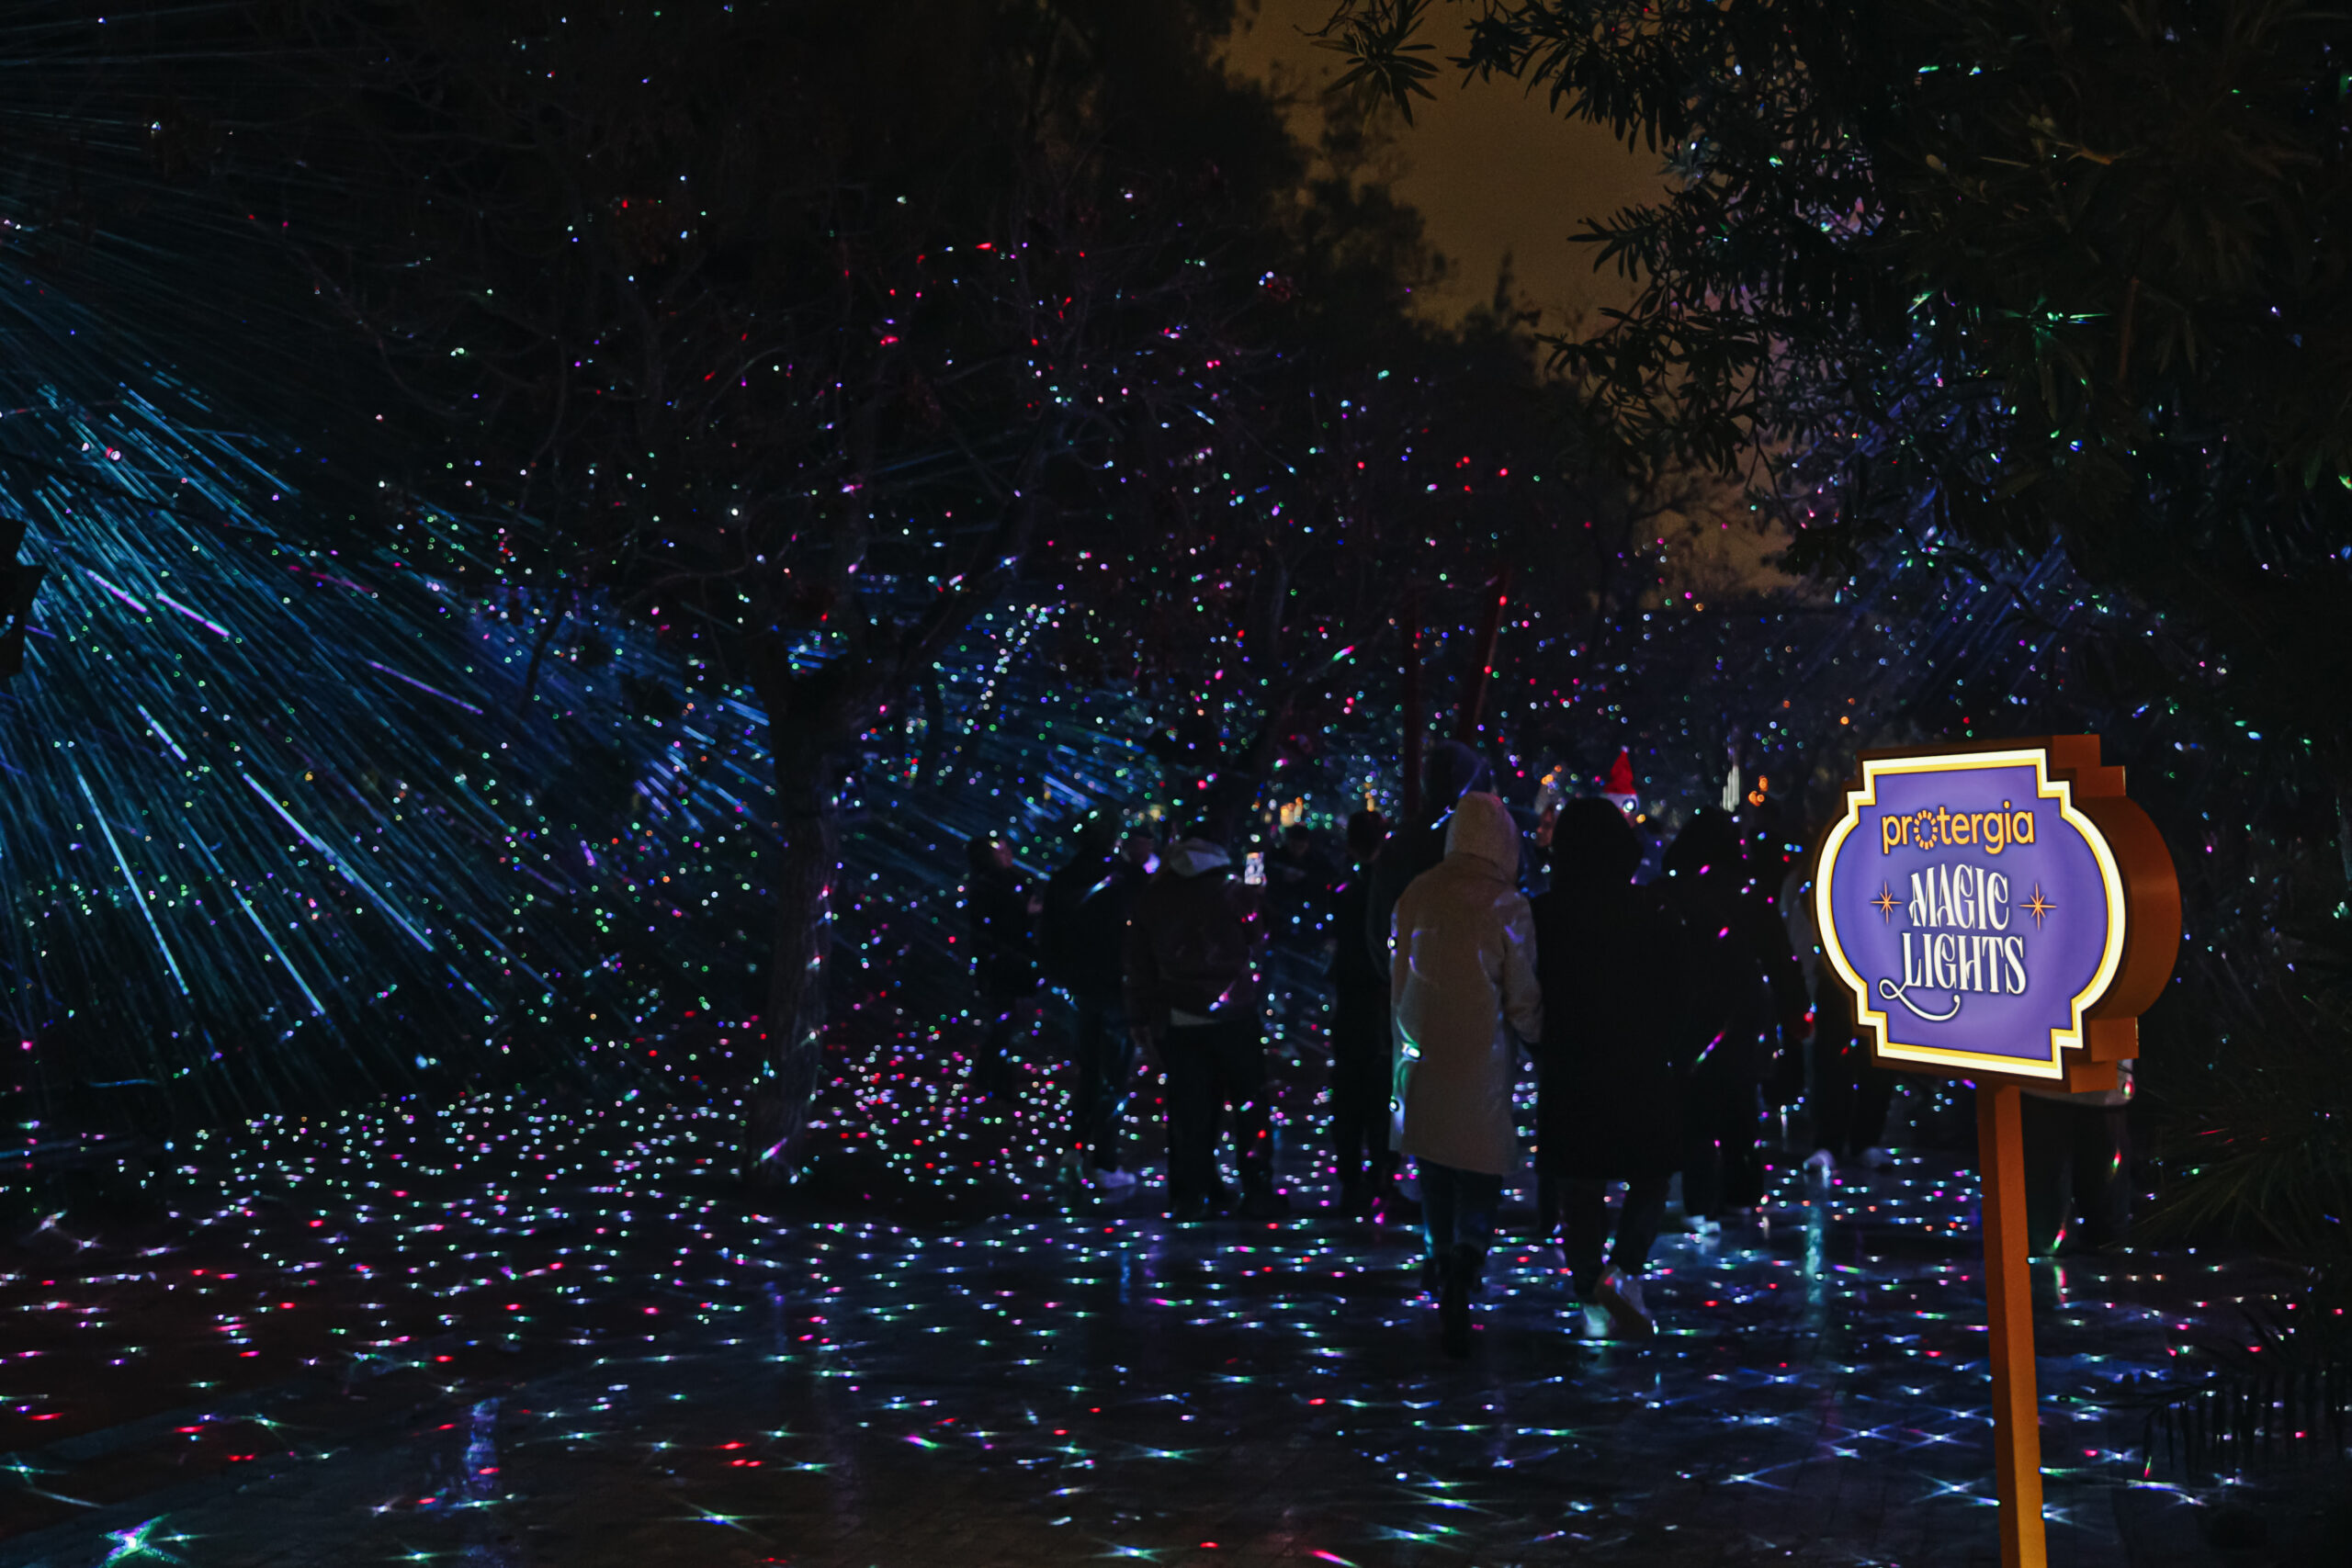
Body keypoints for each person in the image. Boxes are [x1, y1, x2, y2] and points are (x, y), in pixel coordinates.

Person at [1391, 790, 1543, 1358]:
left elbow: (1397, 972)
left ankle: (1437, 1253)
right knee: (1480, 1168)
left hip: (1423, 1049)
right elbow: (1521, 991)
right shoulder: (1506, 904)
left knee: (1434, 1162)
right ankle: (1467, 1258)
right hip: (1483, 1056)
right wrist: (1536, 1034)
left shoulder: (1418, 893)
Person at [1532, 797, 1687, 1339]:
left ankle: (1587, 1287)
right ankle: (1624, 1269)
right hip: (1639, 1062)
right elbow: (1677, 989)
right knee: (1651, 1173)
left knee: (1581, 1184)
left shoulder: (1543, 914)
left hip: (1570, 1062)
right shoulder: (1651, 910)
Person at [1124, 836, 1285, 1221]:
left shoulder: (1154, 897)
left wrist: (1139, 1017)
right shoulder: (1235, 892)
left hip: (1179, 1016)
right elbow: (1259, 942)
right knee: (1249, 1104)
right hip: (1235, 1015)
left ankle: (1191, 1193)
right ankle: (1257, 1189)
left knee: (1189, 1108)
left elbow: (1137, 963)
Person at [1660, 808, 1804, 1233]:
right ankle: (1741, 1195)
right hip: (1743, 1018)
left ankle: (1699, 1202)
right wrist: (1795, 1009)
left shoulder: (1673, 893)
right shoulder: (1749, 895)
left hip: (1687, 1017)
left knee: (1696, 1112)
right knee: (1740, 1107)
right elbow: (1780, 959)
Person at [1058, 829, 1155, 1192]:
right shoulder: (1131, 883)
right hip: (1116, 991)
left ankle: (1074, 1151)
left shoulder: (1069, 878)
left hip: (1083, 990)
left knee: (1089, 1073)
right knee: (1113, 1079)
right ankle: (1104, 1162)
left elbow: (1054, 934)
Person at [1364, 740, 1493, 973]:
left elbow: (1380, 931)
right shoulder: (1491, 845)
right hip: (1478, 987)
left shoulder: (1401, 846)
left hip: (1412, 987)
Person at [1328, 809, 1397, 1216]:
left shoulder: (1345, 888)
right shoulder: (1386, 887)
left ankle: (1354, 1181)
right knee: (1381, 1093)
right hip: (1380, 1000)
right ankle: (1380, 1177)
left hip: (1353, 1001)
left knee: (1351, 1096)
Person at [964, 834, 1042, 1099]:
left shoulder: (1010, 881)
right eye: (1000, 851)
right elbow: (996, 925)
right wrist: (1025, 914)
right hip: (1002, 962)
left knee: (1008, 1021)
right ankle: (994, 1079)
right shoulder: (989, 885)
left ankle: (994, 1078)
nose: (1007, 854)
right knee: (1005, 1021)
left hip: (1013, 960)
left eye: (1007, 849)